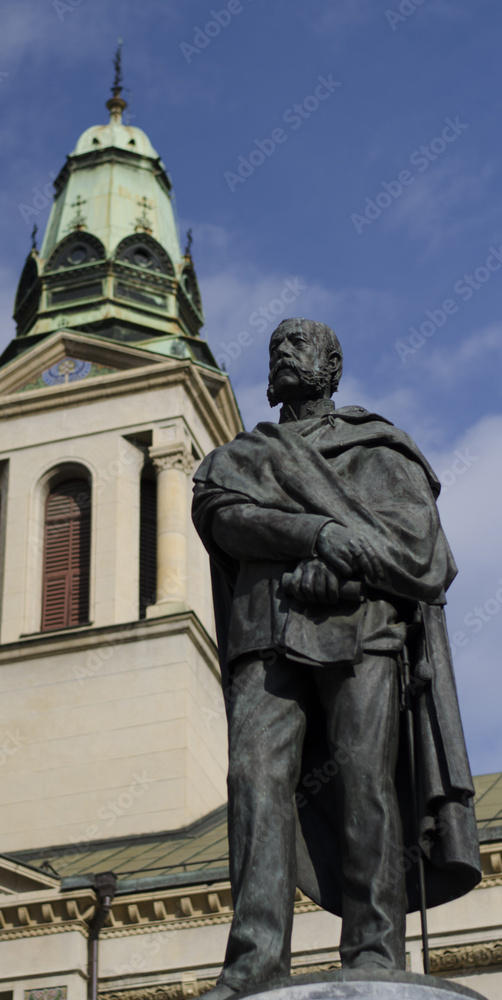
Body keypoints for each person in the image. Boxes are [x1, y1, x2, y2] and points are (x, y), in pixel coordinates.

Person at [192, 318, 480, 997]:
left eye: (300, 345)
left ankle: (375, 950)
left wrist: (341, 573)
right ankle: (253, 961)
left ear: (333, 363)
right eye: (275, 348)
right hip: (265, 630)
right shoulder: (240, 456)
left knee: (365, 782)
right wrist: (317, 535)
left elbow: (421, 554)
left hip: (364, 630)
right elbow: (225, 518)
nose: (285, 354)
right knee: (253, 779)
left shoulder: (381, 449)